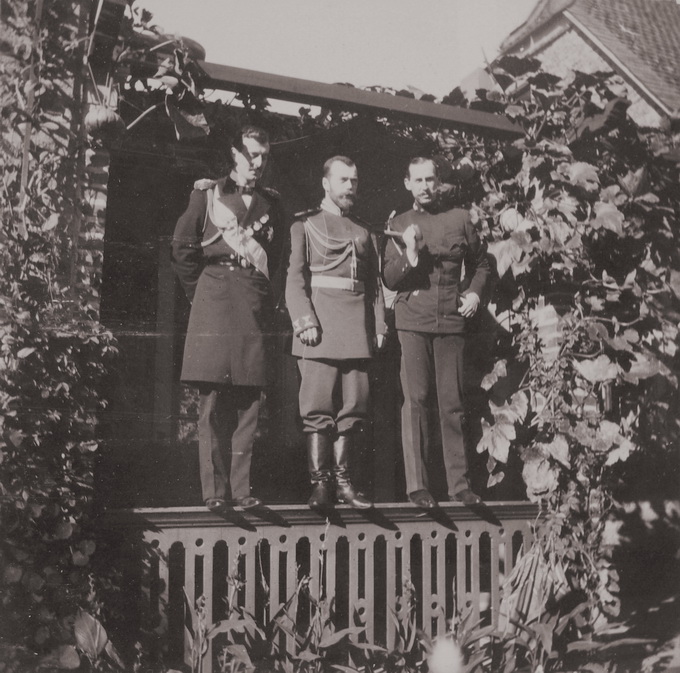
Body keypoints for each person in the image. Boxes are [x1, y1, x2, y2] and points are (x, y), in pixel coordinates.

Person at [171, 125, 285, 512]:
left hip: (252, 303)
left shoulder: (272, 204)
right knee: (212, 403)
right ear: (234, 154)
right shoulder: (208, 195)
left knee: (249, 403)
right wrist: (201, 294)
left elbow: (277, 261)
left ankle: (242, 490)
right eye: (251, 154)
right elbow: (182, 249)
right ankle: (214, 493)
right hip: (214, 300)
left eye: (264, 156)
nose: (258, 163)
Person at [382, 157, 490, 508]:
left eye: (430, 179)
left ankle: (459, 485)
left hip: (452, 321)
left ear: (438, 181)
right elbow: (390, 278)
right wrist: (411, 252)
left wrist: (474, 293)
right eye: (418, 180)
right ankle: (418, 487)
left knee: (452, 404)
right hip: (413, 321)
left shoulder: (459, 219)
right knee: (416, 402)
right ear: (407, 183)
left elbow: (481, 263)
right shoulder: (398, 223)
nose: (425, 186)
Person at [285, 156, 387, 510]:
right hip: (320, 329)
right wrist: (305, 320)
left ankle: (344, 483)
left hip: (357, 329)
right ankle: (321, 485)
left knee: (354, 407)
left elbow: (374, 286)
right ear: (325, 183)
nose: (350, 187)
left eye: (354, 181)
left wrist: (379, 325)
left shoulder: (364, 231)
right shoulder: (305, 225)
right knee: (317, 408)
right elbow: (295, 280)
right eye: (343, 180)